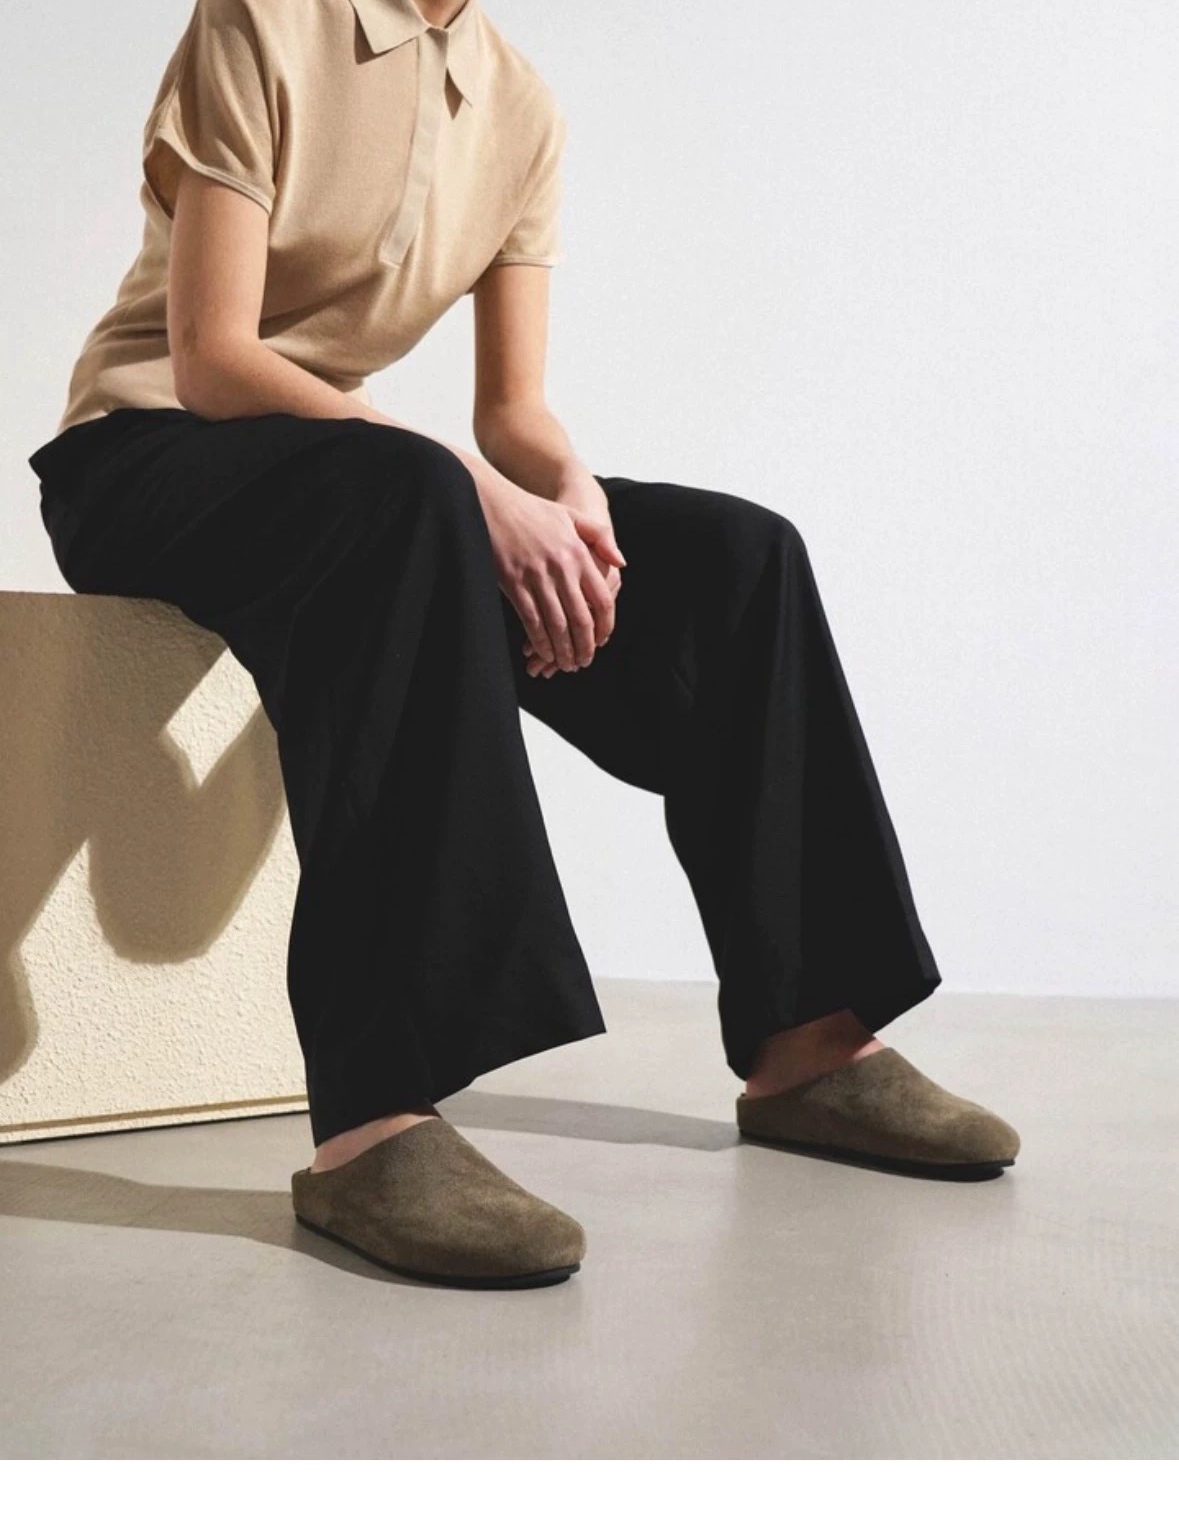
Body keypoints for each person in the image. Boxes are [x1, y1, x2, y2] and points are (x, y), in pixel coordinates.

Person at [27, 0, 1019, 1292]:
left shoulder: (520, 108)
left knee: (737, 561)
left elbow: (513, 410)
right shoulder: (262, 20)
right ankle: (375, 1122)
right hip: (143, 459)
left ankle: (810, 1046)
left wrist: (571, 499)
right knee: (418, 501)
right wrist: (466, 486)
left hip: (358, 485)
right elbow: (212, 360)